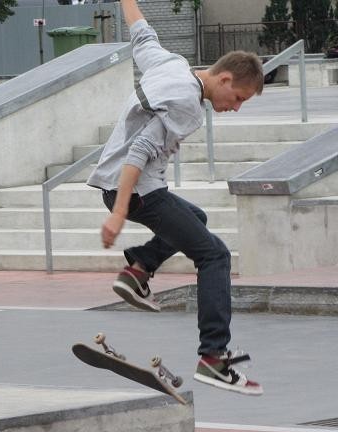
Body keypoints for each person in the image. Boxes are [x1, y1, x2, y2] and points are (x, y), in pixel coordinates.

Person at [86, 0, 265, 396]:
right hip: (135, 190)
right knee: (214, 254)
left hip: (127, 187)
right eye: (238, 98)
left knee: (195, 218)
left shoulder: (170, 64)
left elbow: (142, 32)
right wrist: (118, 214)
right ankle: (213, 357)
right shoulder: (188, 104)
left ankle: (139, 270)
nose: (234, 108)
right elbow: (139, 152)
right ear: (225, 79)